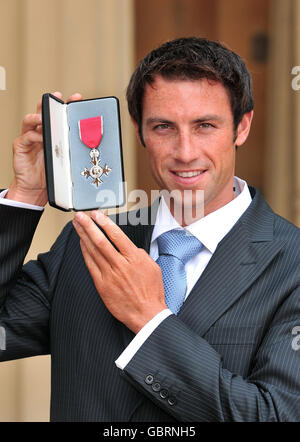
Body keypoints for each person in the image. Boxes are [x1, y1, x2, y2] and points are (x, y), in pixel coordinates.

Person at [0, 37, 300, 422]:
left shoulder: (291, 263)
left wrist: (150, 319)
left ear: (242, 127)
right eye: (163, 127)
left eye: (205, 125)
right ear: (138, 130)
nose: (185, 151)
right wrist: (25, 194)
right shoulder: (88, 241)